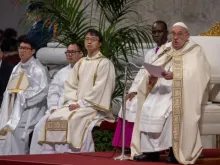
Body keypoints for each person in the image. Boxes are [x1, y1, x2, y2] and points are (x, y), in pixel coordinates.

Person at [131, 22, 210, 164]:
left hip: (182, 91)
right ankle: (151, 152)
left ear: (187, 36)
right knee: (147, 106)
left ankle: (175, 151)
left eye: (180, 34)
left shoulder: (195, 51)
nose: (176, 37)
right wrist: (152, 76)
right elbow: (152, 69)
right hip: (161, 89)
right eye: (173, 34)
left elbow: (199, 74)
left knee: (172, 109)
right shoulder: (166, 49)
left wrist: (176, 75)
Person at [38, 29, 115, 153]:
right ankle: (53, 155)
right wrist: (71, 102)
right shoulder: (81, 63)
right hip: (76, 104)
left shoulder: (105, 63)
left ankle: (72, 155)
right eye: (87, 39)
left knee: (73, 119)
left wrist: (80, 104)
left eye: (93, 40)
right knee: (53, 117)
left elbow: (101, 89)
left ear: (100, 44)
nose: (89, 42)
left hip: (93, 107)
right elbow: (71, 85)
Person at [112, 20, 168, 152]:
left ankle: (142, 145)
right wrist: (133, 90)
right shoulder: (150, 53)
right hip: (146, 87)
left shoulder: (170, 50)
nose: (156, 35)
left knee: (139, 104)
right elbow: (142, 74)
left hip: (161, 88)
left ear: (166, 32)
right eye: (154, 32)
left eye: (159, 31)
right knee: (130, 101)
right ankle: (126, 144)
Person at [30, 43, 83, 154]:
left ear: (81, 54)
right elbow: (53, 92)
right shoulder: (61, 72)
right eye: (68, 52)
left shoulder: (86, 71)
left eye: (73, 52)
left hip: (75, 107)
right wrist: (53, 107)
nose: (70, 54)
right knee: (40, 127)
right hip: (58, 107)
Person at [0, 38, 50, 155]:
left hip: (32, 108)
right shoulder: (17, 67)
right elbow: (9, 89)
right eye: (20, 48)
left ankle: (19, 159)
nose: (22, 51)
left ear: (33, 51)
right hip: (13, 106)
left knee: (16, 130)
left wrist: (21, 96)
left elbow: (42, 92)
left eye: (25, 49)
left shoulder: (38, 69)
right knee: (4, 129)